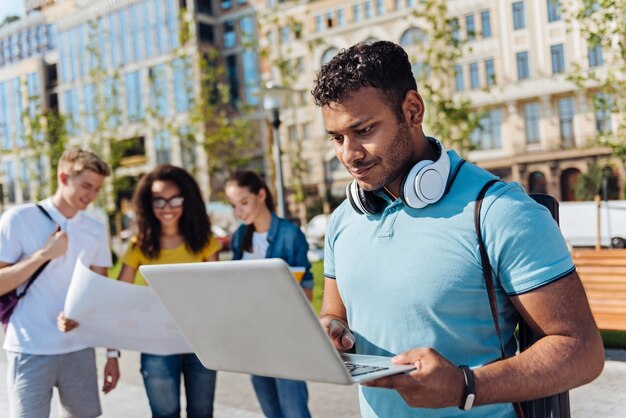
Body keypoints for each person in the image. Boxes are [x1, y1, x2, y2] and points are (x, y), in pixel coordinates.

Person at [311, 40, 604, 417]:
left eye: (364, 130)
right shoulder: (343, 220)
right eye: (337, 138)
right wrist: (329, 329)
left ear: (412, 110)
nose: (348, 154)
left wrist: (467, 386)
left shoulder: (500, 211)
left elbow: (582, 351)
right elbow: (335, 315)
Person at [0, 148, 120, 418]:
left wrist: (112, 354)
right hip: (29, 347)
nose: (91, 196)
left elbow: (102, 291)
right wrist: (43, 256)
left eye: (97, 189)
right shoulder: (18, 219)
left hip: (79, 348)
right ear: (63, 177)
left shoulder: (96, 228)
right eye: (86, 186)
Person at [119, 164, 221, 418]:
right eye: (159, 201)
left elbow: (219, 288)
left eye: (175, 199)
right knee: (165, 414)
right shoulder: (139, 244)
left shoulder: (204, 240)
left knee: (202, 413)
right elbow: (119, 293)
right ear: (147, 204)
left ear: (187, 200)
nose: (167, 208)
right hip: (157, 344)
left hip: (201, 343)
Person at [225, 170, 313, 418]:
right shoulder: (240, 236)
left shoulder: (289, 234)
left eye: (243, 202)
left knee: (294, 409)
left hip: (285, 336)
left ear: (261, 195)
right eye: (233, 205)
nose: (238, 211)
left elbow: (307, 289)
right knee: (270, 411)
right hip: (253, 336)